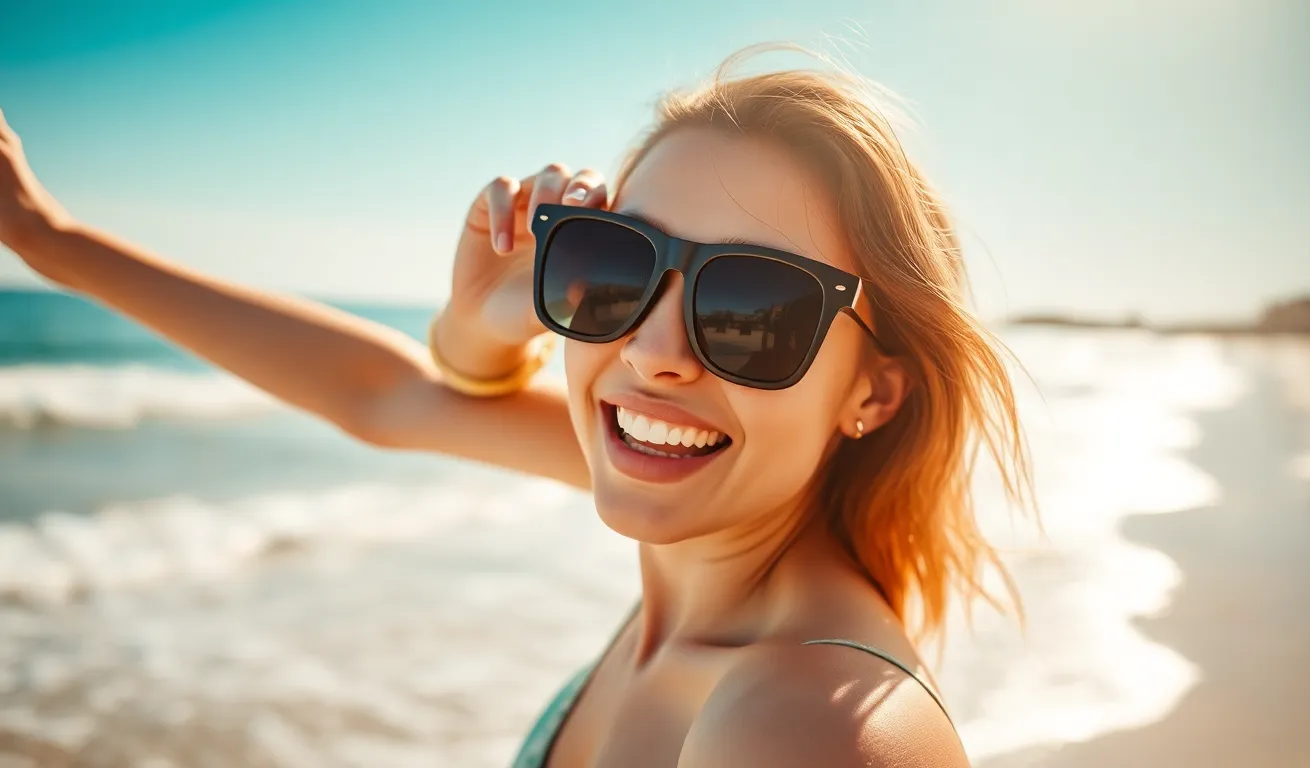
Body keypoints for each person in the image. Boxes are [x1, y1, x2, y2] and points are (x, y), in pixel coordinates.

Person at [0, 44, 1030, 768]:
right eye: (619, 270)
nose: (655, 353)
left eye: (754, 309)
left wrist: (474, 354)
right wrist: (49, 241)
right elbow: (386, 397)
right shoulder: (718, 540)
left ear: (874, 390)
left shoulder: (803, 729)